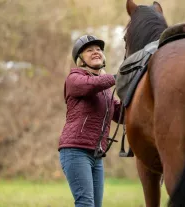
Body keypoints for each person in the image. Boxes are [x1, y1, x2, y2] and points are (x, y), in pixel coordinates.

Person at [58, 35, 122, 207]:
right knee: (85, 203)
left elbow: (120, 115)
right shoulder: (75, 78)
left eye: (99, 49)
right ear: (80, 59)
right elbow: (90, 85)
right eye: (89, 50)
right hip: (75, 151)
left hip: (96, 155)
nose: (96, 52)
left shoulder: (106, 90)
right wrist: (118, 76)